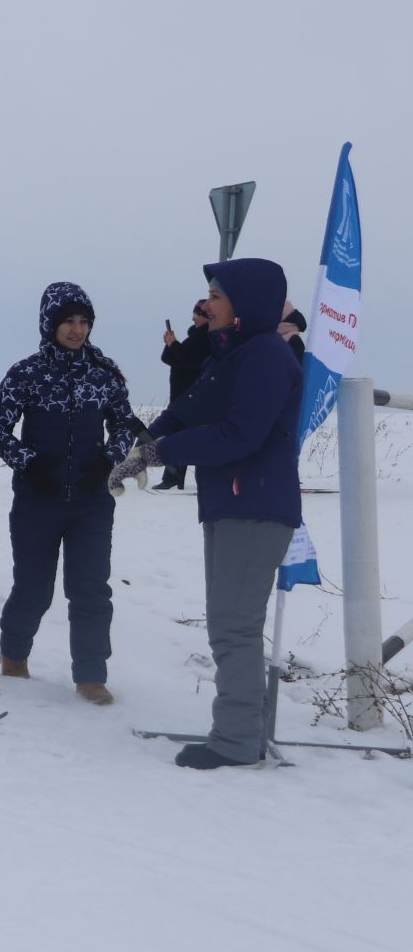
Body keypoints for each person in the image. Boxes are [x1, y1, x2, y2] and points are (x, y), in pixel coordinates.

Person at [110, 258, 303, 768]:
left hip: (256, 506)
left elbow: (240, 435)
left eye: (215, 296)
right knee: (228, 623)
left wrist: (161, 453)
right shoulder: (232, 353)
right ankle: (244, 731)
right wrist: (144, 444)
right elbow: (190, 408)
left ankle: (237, 741)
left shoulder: (265, 357)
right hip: (231, 503)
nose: (206, 305)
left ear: (243, 305)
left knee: (234, 626)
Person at [0, 282, 140, 705]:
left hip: (91, 502)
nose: (77, 330)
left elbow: (126, 424)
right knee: (34, 588)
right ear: (50, 324)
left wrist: (108, 458)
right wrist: (28, 463)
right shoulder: (26, 373)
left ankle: (91, 675)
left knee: (90, 588)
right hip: (38, 500)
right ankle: (14, 654)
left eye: (84, 321)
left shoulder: (103, 375)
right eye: (68, 321)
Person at [156, 300, 210, 489]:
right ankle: (172, 478)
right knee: (176, 437)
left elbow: (189, 360)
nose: (193, 318)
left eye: (197, 314)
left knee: (181, 439)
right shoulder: (194, 337)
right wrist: (170, 344)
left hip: (191, 398)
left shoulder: (206, 338)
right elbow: (170, 358)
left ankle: (172, 479)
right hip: (180, 397)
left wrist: (174, 345)